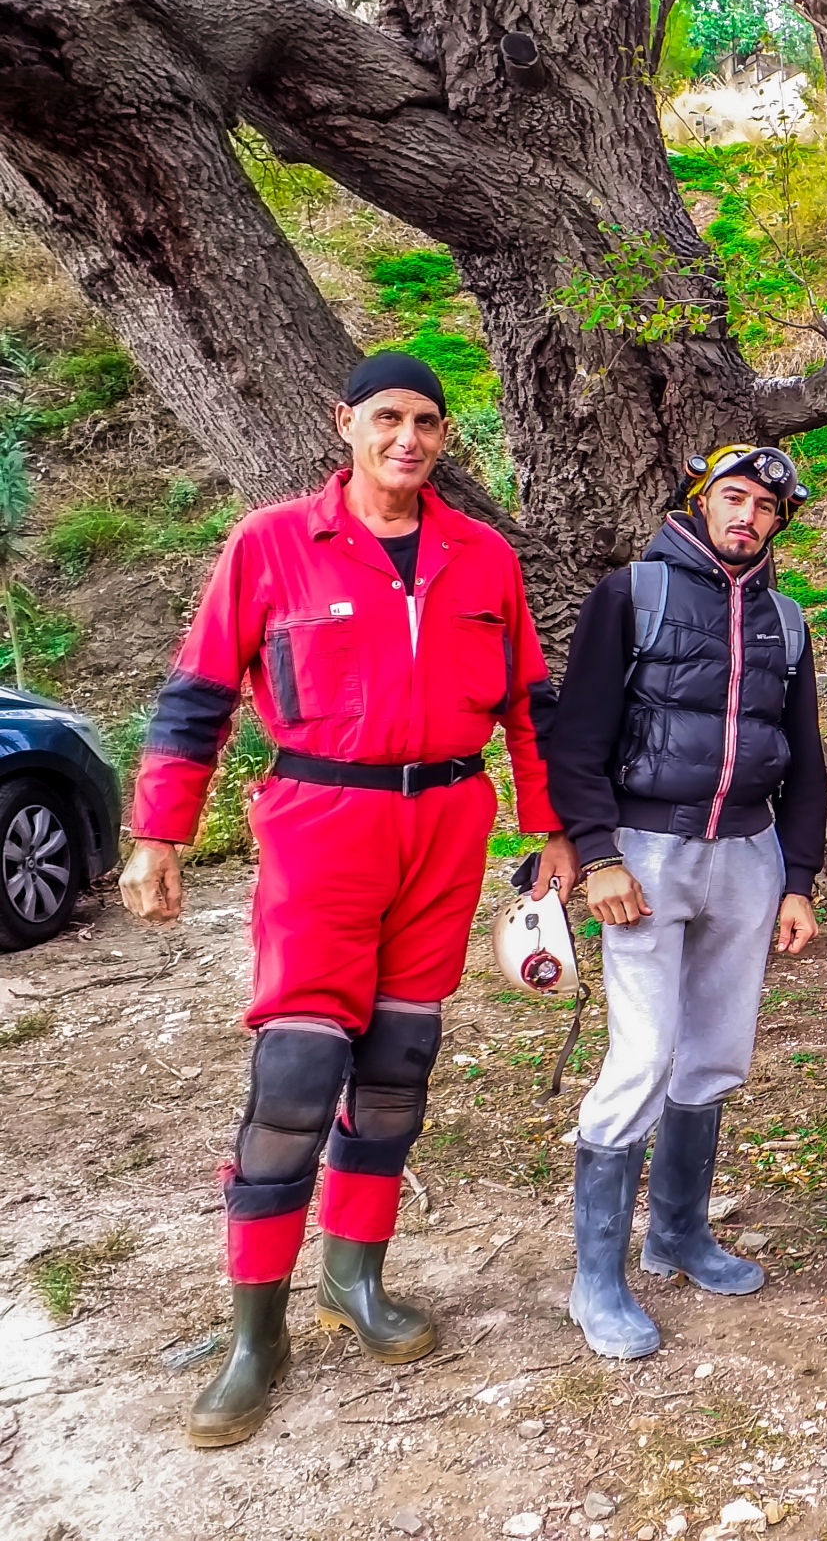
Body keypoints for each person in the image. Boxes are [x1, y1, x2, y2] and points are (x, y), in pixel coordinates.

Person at [121, 350, 577, 1447]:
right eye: (387, 418)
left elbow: (528, 708)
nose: (407, 439)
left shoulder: (482, 557)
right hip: (321, 827)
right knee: (294, 1077)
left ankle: (355, 1279)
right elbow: (197, 695)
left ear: (444, 438)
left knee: (396, 1067)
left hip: (446, 827)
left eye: (426, 422)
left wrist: (551, 826)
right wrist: (159, 832)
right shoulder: (273, 542)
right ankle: (255, 1334)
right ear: (346, 424)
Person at [545, 443, 827, 1358]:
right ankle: (597, 1280)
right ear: (700, 502)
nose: (748, 516)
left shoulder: (787, 619)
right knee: (643, 1057)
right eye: (732, 498)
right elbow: (577, 736)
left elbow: (805, 758)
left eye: (765, 507)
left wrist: (798, 879)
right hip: (646, 854)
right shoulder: (633, 594)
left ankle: (677, 1233)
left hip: (746, 855)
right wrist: (599, 855)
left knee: (716, 1053)